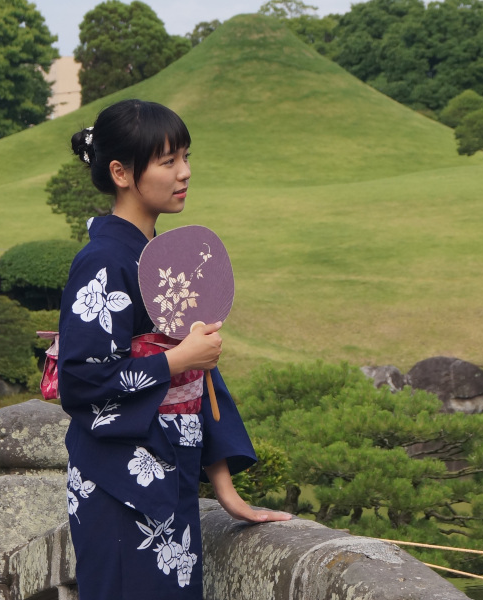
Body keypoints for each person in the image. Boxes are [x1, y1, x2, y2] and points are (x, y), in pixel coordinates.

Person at [57, 99, 290, 600]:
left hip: (172, 478)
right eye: (168, 161)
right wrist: (177, 358)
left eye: (185, 157)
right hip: (119, 486)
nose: (184, 173)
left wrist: (225, 490)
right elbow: (81, 382)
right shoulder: (101, 261)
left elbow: (197, 381)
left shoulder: (162, 259)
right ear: (121, 172)